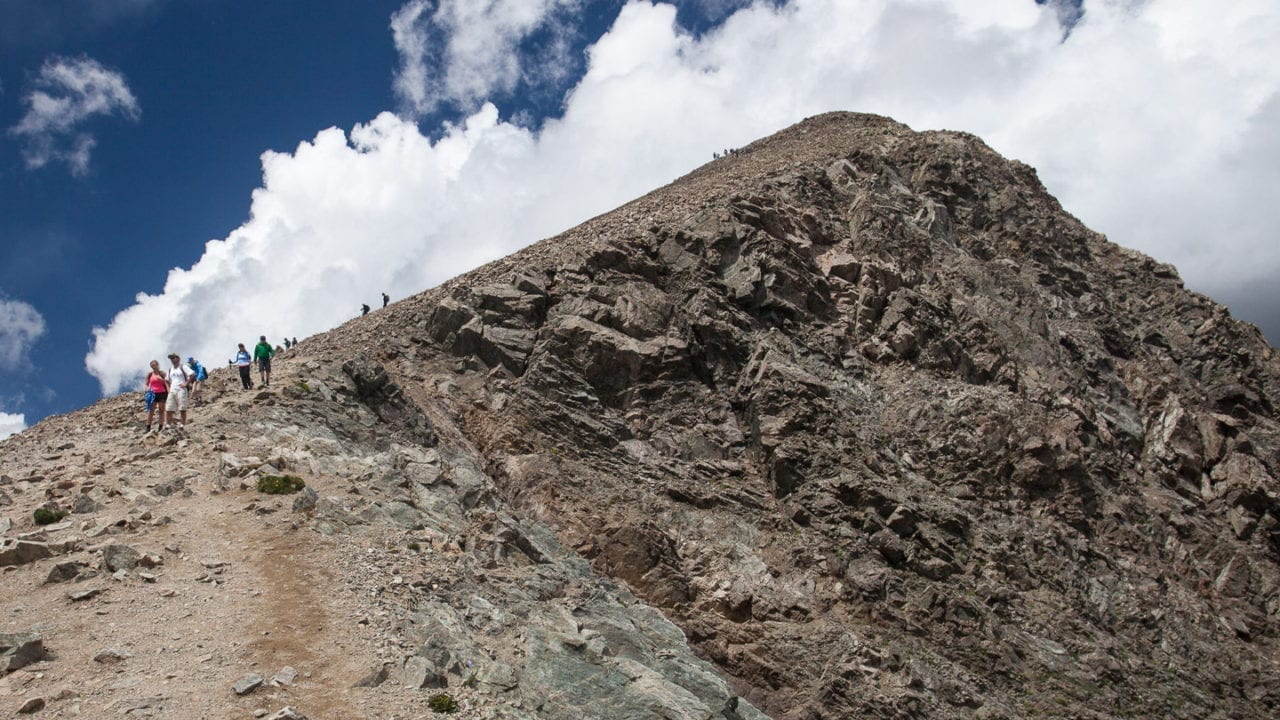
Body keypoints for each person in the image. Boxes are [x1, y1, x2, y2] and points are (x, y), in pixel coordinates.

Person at [165, 353, 195, 433]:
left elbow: (192, 374)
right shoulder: (170, 369)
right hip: (172, 390)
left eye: (173, 358)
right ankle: (168, 425)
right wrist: (168, 389)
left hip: (181, 390)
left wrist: (186, 383)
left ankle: (182, 425)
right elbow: (167, 380)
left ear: (178, 358)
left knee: (182, 408)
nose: (172, 359)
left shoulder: (183, 367)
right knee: (169, 408)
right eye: (171, 358)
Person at [144, 360, 168, 433]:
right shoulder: (150, 374)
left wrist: (162, 380)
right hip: (153, 394)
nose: (154, 367)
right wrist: (147, 389)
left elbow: (167, 382)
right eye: (152, 366)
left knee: (161, 411)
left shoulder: (162, 373)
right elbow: (146, 384)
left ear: (158, 365)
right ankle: (148, 428)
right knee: (151, 411)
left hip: (162, 393)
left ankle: (160, 427)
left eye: (155, 365)